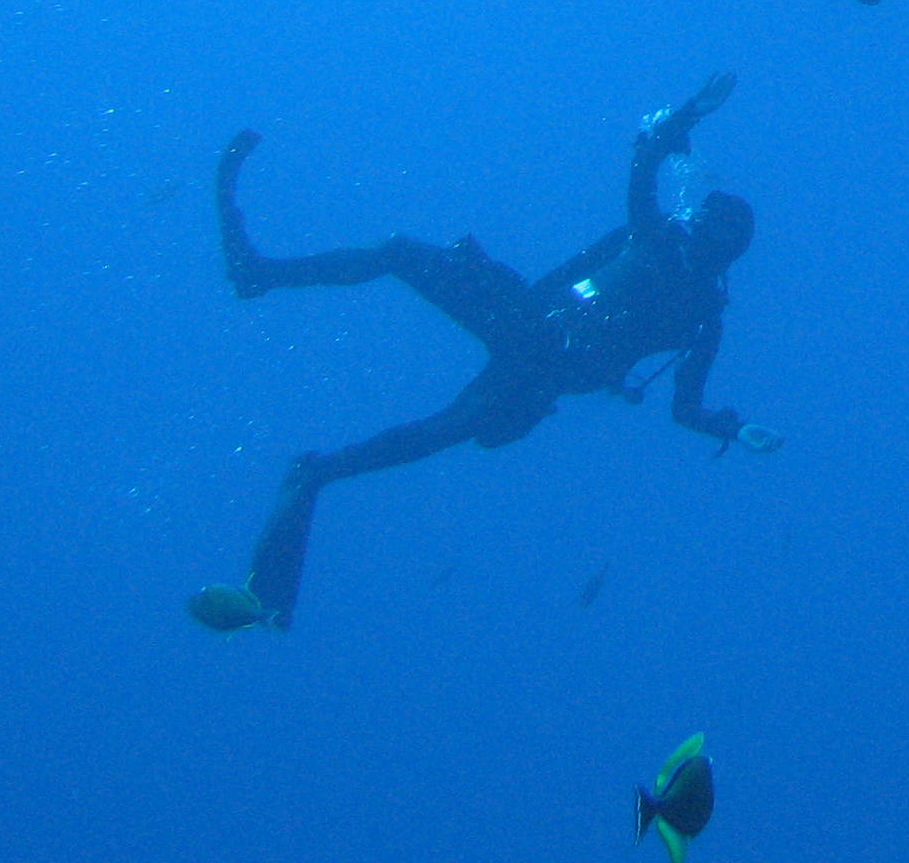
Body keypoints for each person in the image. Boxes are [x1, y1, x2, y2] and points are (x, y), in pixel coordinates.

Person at [188, 72, 773, 634]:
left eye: (713, 232)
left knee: (446, 415)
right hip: (536, 333)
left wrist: (734, 425)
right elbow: (686, 409)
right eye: (705, 223)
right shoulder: (687, 287)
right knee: (406, 274)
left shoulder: (689, 293)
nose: (700, 234)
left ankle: (314, 472)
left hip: (540, 352)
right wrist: (730, 426)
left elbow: (644, 169)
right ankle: (265, 292)